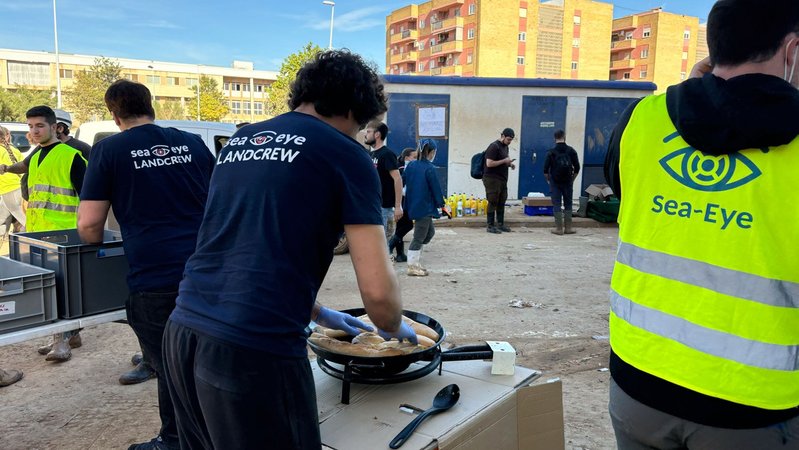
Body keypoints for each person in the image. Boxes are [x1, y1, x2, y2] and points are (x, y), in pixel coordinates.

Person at [162, 49, 415, 450]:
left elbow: (235, 244)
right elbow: (379, 296)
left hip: (183, 331)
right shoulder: (346, 154)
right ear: (354, 109)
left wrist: (314, 311)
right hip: (253, 349)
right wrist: (391, 325)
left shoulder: (241, 141)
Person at [603, 0, 799, 447]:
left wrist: (701, 93)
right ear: (792, 50)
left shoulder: (642, 120)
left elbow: (624, 188)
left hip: (639, 380)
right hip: (753, 407)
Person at [76, 79, 215, 450]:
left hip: (156, 276)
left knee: (171, 367)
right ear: (150, 105)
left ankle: (175, 441)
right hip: (209, 268)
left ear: (113, 113)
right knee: (207, 358)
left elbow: (90, 226)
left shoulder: (109, 150)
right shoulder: (192, 142)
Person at [0, 106, 87, 363]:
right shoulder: (36, 156)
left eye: (39, 126)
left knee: (60, 290)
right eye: (30, 126)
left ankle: (60, 343)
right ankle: (67, 336)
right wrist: (6, 167)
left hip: (65, 235)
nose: (34, 131)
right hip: (39, 233)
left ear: (54, 127)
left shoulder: (72, 156)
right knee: (51, 290)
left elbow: (88, 198)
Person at [402, 139, 445, 277]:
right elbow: (436, 189)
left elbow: (404, 181)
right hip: (424, 206)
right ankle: (412, 266)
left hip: (413, 204)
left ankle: (415, 260)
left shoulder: (411, 166)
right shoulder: (430, 168)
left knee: (429, 233)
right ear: (431, 152)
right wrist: (442, 204)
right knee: (419, 237)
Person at [365, 121, 403, 241]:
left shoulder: (387, 154)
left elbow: (397, 179)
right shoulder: (371, 154)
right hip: (373, 205)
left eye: (368, 131)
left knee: (384, 243)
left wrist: (398, 206)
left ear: (377, 134)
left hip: (385, 207)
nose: (366, 135)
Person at [543, 129, 580, 235]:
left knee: (557, 204)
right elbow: (577, 167)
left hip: (555, 181)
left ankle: (559, 229)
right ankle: (568, 228)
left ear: (554, 138)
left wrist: (549, 180)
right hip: (568, 181)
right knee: (568, 203)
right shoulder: (571, 151)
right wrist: (572, 179)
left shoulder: (551, 152)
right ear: (565, 137)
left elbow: (545, 170)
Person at [483, 128, 516, 234]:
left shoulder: (505, 147)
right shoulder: (494, 146)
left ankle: (500, 224)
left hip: (502, 179)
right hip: (492, 179)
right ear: (502, 136)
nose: (509, 142)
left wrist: (510, 164)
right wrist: (504, 161)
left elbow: (505, 160)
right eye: (508, 139)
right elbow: (489, 163)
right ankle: (490, 225)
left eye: (511, 140)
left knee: (502, 201)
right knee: (493, 201)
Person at [388, 147, 418, 262]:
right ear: (406, 158)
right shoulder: (402, 169)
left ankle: (400, 254)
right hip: (401, 201)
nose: (416, 159)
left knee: (400, 227)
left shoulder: (403, 167)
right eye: (414, 157)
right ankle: (390, 246)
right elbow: (402, 188)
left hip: (401, 200)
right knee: (408, 225)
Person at [0, 126, 25, 231]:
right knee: (4, 218)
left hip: (8, 191)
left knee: (25, 221)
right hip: (20, 189)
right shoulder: (14, 149)